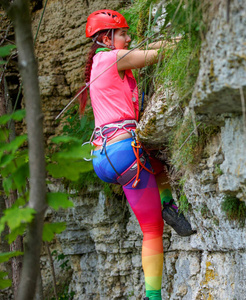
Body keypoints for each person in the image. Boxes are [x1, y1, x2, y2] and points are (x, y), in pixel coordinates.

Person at [79, 9, 195, 300]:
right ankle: (153, 297)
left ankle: (168, 205)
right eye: (123, 33)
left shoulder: (100, 63)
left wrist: (159, 42)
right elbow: (155, 54)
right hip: (123, 151)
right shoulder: (110, 59)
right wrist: (185, 38)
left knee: (158, 159)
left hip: (104, 157)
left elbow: (143, 49)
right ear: (107, 37)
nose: (128, 37)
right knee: (152, 231)